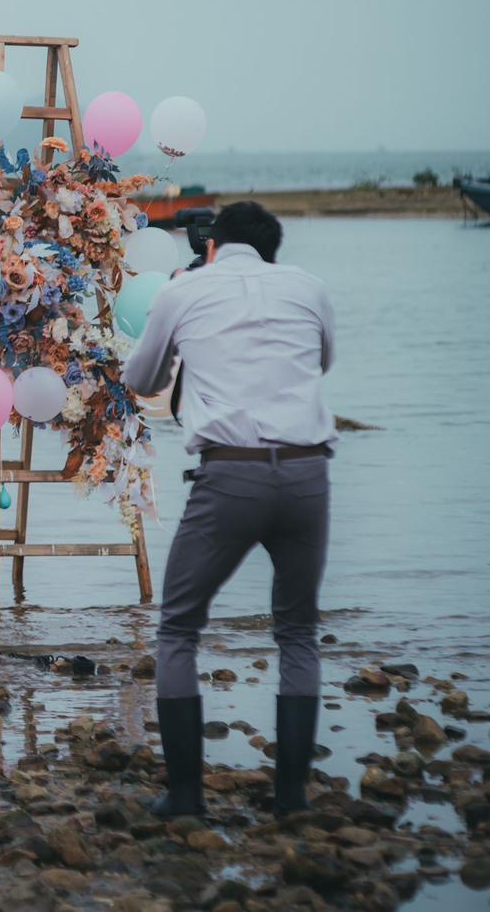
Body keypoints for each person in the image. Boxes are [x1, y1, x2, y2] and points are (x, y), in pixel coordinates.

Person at [123, 200, 336, 818]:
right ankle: (291, 799)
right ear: (272, 250)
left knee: (178, 629)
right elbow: (320, 361)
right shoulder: (308, 286)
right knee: (298, 631)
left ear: (211, 245)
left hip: (230, 477)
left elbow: (142, 379)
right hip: (307, 474)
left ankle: (186, 797)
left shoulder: (183, 289)